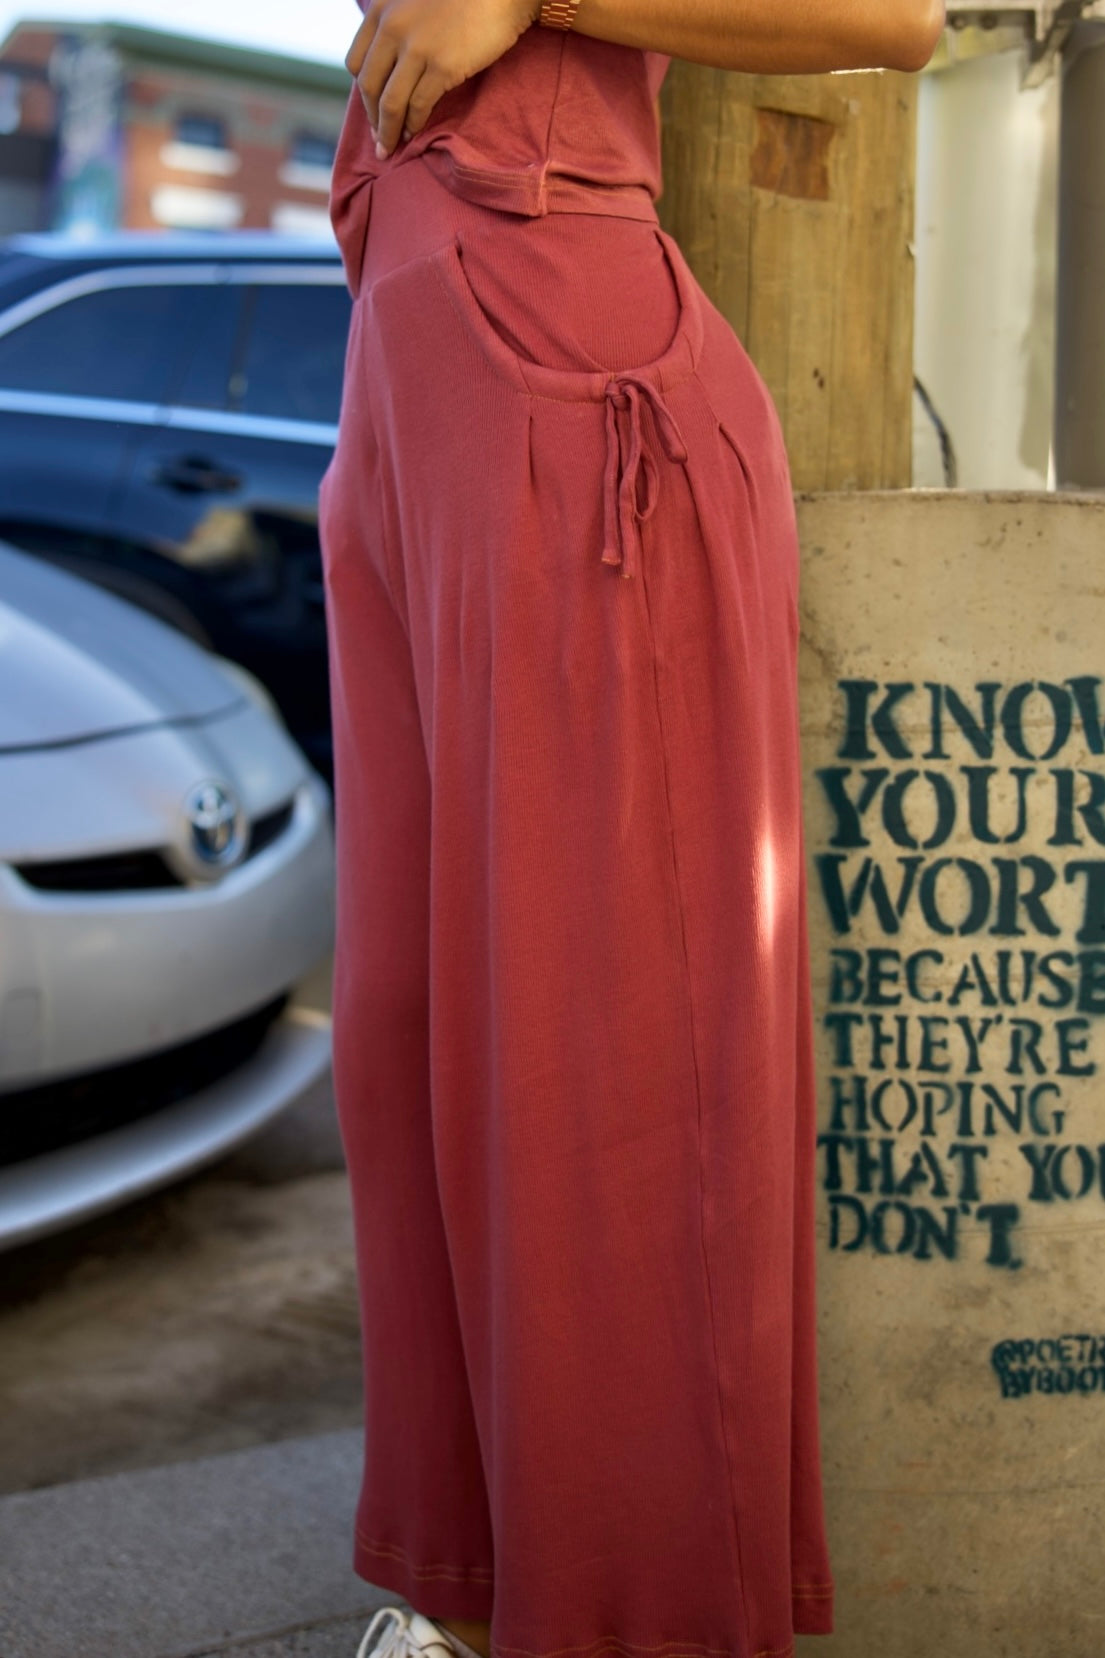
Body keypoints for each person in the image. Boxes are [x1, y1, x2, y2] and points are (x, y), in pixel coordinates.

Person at [317, 5, 944, 1658]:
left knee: (606, 1070)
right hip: (410, 368)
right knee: (406, 1035)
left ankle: (638, 1618)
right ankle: (493, 1592)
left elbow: (901, 18)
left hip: (566, 372)